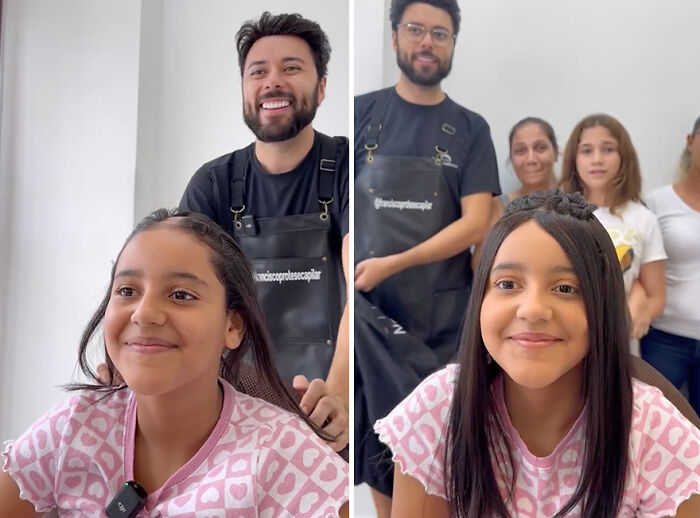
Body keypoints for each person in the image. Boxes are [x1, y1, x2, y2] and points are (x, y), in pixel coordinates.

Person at [0, 209, 348, 517]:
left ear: (232, 325)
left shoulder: (286, 456)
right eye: (127, 291)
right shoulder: (73, 425)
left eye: (181, 295)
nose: (144, 312)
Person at [375, 190, 700, 518]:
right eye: (507, 284)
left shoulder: (652, 430)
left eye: (565, 288)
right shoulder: (439, 409)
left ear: (603, 305)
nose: (531, 310)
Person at [353, 0, 500, 514]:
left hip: (442, 325)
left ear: (453, 44)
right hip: (371, 320)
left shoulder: (469, 128)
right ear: (394, 36)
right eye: (416, 30)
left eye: (441, 34)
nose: (427, 43)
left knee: (439, 454)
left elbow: (477, 221)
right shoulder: (359, 114)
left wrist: (394, 263)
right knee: (380, 451)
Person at [180, 12, 349, 414]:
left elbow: (363, 284)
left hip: (334, 396)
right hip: (234, 410)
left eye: (291, 68)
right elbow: (181, 291)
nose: (273, 81)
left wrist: (336, 395)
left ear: (322, 87)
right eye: (258, 72)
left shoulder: (349, 165)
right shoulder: (214, 184)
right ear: (244, 89)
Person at [560, 114, 667, 351]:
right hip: (566, 338)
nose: (597, 159)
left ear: (623, 157)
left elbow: (656, 296)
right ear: (573, 159)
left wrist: (638, 309)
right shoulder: (559, 214)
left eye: (608, 149)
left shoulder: (644, 219)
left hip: (621, 347)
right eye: (586, 150)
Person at [642, 115, 700, 414]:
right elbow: (641, 272)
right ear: (690, 142)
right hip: (665, 338)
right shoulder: (656, 203)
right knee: (654, 422)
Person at [473, 116, 558, 268]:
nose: (531, 159)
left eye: (540, 148)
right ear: (511, 160)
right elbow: (480, 267)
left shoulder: (577, 203)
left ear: (556, 152)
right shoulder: (497, 207)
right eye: (521, 151)